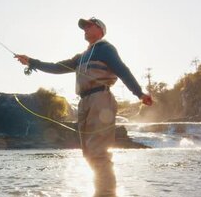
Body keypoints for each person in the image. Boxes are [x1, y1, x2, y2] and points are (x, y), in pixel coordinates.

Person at [15, 17, 153, 187]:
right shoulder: (81, 57)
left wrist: (139, 93)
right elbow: (57, 67)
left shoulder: (106, 48)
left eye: (89, 26)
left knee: (99, 151)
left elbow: (123, 71)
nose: (85, 29)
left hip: (100, 99)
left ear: (100, 30)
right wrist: (31, 61)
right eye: (84, 27)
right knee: (88, 153)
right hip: (84, 102)